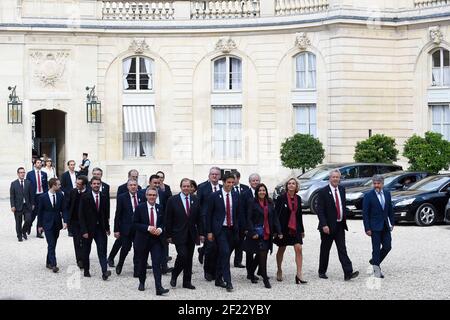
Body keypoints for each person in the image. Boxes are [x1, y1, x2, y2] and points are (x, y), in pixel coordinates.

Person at [316, 169, 359, 281]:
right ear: (329, 178)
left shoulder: (342, 189)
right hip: (328, 227)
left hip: (340, 225)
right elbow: (320, 210)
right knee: (325, 249)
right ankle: (322, 271)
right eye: (333, 177)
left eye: (337, 177)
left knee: (342, 249)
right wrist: (324, 225)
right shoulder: (323, 192)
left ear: (340, 178)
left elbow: (341, 205)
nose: (335, 179)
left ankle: (348, 273)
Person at [166, 178, 204, 290]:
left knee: (189, 258)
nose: (186, 188)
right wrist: (168, 235)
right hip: (178, 233)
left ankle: (187, 282)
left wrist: (201, 233)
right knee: (182, 255)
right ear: (181, 187)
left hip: (191, 234)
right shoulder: (172, 200)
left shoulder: (195, 199)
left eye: (188, 186)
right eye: (184, 186)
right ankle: (175, 274)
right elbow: (168, 219)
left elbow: (199, 218)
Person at [244, 183, 282, 288]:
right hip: (256, 233)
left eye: (264, 190)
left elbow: (274, 218)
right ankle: (265, 278)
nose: (262, 192)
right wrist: (252, 232)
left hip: (267, 233)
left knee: (261, 254)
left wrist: (279, 231)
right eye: (260, 190)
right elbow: (249, 218)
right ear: (257, 192)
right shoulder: (252, 202)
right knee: (262, 254)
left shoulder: (270, 203)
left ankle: (251, 273)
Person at [206, 172, 239, 292]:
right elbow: (208, 215)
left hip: (232, 229)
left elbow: (238, 214)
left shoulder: (235, 195)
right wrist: (209, 231)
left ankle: (218, 278)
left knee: (224, 254)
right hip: (220, 230)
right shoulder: (214, 196)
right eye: (228, 182)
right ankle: (228, 281)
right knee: (225, 252)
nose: (230, 185)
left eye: (232, 182)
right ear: (223, 182)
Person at [133, 187, 169, 296]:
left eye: (154, 195)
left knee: (156, 263)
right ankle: (142, 282)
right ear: (146, 196)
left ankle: (159, 287)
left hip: (156, 241)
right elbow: (135, 224)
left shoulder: (160, 207)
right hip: (143, 240)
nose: (152, 197)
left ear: (156, 196)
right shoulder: (140, 208)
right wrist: (148, 228)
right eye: (150, 195)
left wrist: (160, 229)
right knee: (142, 263)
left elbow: (164, 223)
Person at [274, 178, 307, 284]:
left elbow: (299, 215)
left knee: (299, 248)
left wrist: (302, 229)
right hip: (283, 228)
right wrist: (277, 230)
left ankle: (299, 273)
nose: (291, 185)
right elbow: (276, 215)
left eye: (293, 183)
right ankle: (279, 269)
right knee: (281, 248)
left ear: (296, 186)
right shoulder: (281, 198)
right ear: (286, 186)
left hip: (295, 227)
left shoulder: (298, 198)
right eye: (289, 183)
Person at [138, 174, 172, 274]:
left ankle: (164, 266)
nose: (157, 185)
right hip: (146, 226)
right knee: (145, 249)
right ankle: (142, 269)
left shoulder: (162, 193)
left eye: (158, 183)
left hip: (160, 225)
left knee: (164, 245)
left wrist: (164, 225)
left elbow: (166, 209)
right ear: (150, 183)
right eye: (155, 183)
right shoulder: (142, 193)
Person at [79, 177, 111, 280]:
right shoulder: (84, 196)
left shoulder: (104, 196)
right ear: (91, 185)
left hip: (100, 229)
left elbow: (106, 214)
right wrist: (84, 230)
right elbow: (81, 215)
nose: (96, 185)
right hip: (88, 229)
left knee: (102, 250)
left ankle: (104, 271)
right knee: (86, 250)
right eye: (94, 183)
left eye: (98, 183)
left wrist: (107, 227)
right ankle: (86, 270)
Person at [362, 174, 394, 279]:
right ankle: (377, 270)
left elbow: (390, 209)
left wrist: (392, 222)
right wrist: (367, 228)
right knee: (376, 249)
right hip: (374, 227)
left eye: (378, 183)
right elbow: (365, 213)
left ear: (382, 184)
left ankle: (374, 261)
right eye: (374, 183)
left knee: (387, 246)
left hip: (385, 225)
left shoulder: (387, 193)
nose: (376, 185)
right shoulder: (368, 196)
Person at [108, 169, 142, 268]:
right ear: (128, 176)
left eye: (136, 177)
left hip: (135, 225)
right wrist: (117, 228)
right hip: (125, 224)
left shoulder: (139, 188)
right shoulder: (122, 188)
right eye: (133, 176)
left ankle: (137, 266)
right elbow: (119, 211)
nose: (134, 178)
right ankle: (111, 257)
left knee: (135, 245)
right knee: (120, 242)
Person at [197, 167, 222, 280]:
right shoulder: (202, 188)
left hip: (220, 223)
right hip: (206, 223)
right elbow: (198, 207)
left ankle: (216, 271)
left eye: (216, 174)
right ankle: (208, 272)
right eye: (212, 174)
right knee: (210, 248)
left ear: (220, 176)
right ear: (209, 175)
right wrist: (200, 229)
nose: (214, 176)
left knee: (218, 248)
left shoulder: (223, 188)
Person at [37, 178, 66, 273]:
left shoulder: (60, 195)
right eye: (58, 184)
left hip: (57, 223)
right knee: (51, 243)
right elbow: (40, 212)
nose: (60, 186)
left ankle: (48, 262)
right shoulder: (43, 197)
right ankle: (54, 264)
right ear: (53, 185)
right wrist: (39, 225)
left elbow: (64, 209)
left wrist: (65, 221)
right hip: (47, 223)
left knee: (53, 244)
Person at [239, 173, 261, 281]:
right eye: (253, 181)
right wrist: (246, 228)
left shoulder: (263, 193)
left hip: (260, 227)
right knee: (250, 252)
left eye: (257, 180)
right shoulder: (244, 194)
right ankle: (250, 273)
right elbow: (242, 212)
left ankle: (257, 270)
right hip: (249, 227)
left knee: (262, 249)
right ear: (250, 182)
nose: (255, 182)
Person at [64, 175, 88, 269]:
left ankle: (84, 257)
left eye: (79, 184)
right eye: (76, 183)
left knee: (85, 241)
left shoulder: (89, 193)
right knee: (77, 241)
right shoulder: (72, 192)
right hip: (74, 221)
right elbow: (67, 206)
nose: (77, 185)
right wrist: (66, 220)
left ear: (84, 185)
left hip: (86, 223)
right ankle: (79, 260)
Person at [10, 167, 34, 242]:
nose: (22, 174)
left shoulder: (28, 182)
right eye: (20, 172)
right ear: (18, 174)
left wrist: (32, 204)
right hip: (17, 206)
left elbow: (31, 195)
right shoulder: (14, 183)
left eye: (23, 172)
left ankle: (24, 231)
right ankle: (19, 236)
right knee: (18, 222)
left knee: (29, 220)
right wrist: (12, 206)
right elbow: (12, 196)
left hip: (27, 206)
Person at [231, 171, 250, 268]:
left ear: (238, 178)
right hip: (231, 219)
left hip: (242, 220)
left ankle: (238, 261)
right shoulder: (227, 188)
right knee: (231, 241)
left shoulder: (246, 188)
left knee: (240, 241)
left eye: (234, 178)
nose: (232, 181)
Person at [26, 158, 48, 238]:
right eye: (38, 163)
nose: (39, 164)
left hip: (41, 196)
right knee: (32, 214)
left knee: (41, 215)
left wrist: (46, 195)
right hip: (33, 196)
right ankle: (28, 225)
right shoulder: (29, 174)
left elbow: (45, 186)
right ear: (34, 164)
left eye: (40, 163)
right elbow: (27, 186)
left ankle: (39, 232)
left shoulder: (44, 174)